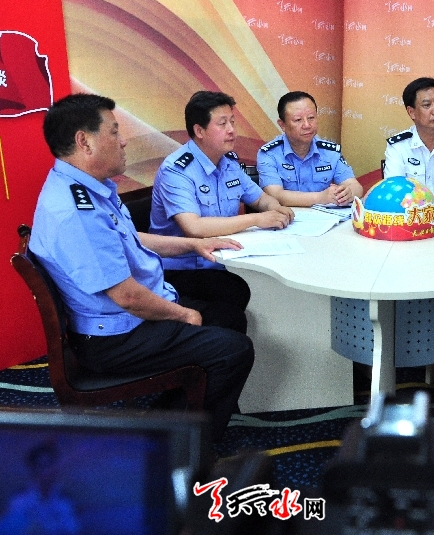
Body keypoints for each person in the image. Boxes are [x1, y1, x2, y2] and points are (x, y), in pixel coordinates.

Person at [30, 93, 254, 441]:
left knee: (229, 307)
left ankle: (181, 406)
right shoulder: (76, 212)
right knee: (234, 351)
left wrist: (194, 244)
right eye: (114, 131)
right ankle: (170, 445)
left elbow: (130, 239)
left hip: (128, 310)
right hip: (115, 336)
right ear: (84, 142)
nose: (123, 141)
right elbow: (127, 297)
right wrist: (183, 315)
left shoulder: (86, 187)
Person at [149, 91, 295, 316]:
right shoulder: (176, 170)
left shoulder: (228, 162)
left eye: (233, 122)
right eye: (222, 123)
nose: (232, 130)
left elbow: (259, 198)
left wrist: (276, 209)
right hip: (183, 269)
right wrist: (257, 218)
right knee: (239, 294)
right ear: (199, 131)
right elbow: (194, 227)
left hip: (225, 260)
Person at [256, 90, 363, 206]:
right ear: (282, 125)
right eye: (298, 120)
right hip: (287, 216)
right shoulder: (269, 154)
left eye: (311, 118)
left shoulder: (330, 152)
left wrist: (348, 193)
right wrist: (320, 197)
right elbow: (274, 195)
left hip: (323, 216)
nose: (307, 125)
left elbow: (356, 186)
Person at [0, 442, 79, 535]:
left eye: (50, 465)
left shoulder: (65, 500)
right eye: (42, 466)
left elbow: (72, 528)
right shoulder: (20, 499)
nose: (48, 471)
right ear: (33, 470)